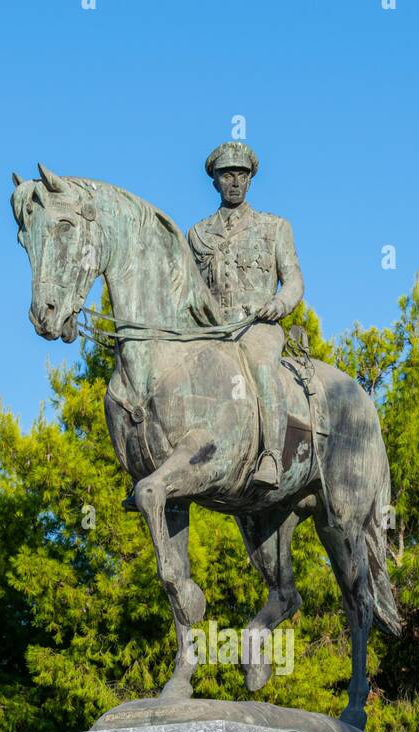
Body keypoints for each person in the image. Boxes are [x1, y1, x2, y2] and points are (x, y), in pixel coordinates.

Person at [188, 141, 304, 486]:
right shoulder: (197, 235)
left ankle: (270, 456)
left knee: (262, 370)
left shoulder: (274, 227)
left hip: (257, 326)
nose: (235, 182)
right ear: (215, 181)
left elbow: (294, 280)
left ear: (251, 179)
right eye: (227, 175)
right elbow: (188, 290)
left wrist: (279, 304)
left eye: (241, 175)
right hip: (211, 331)